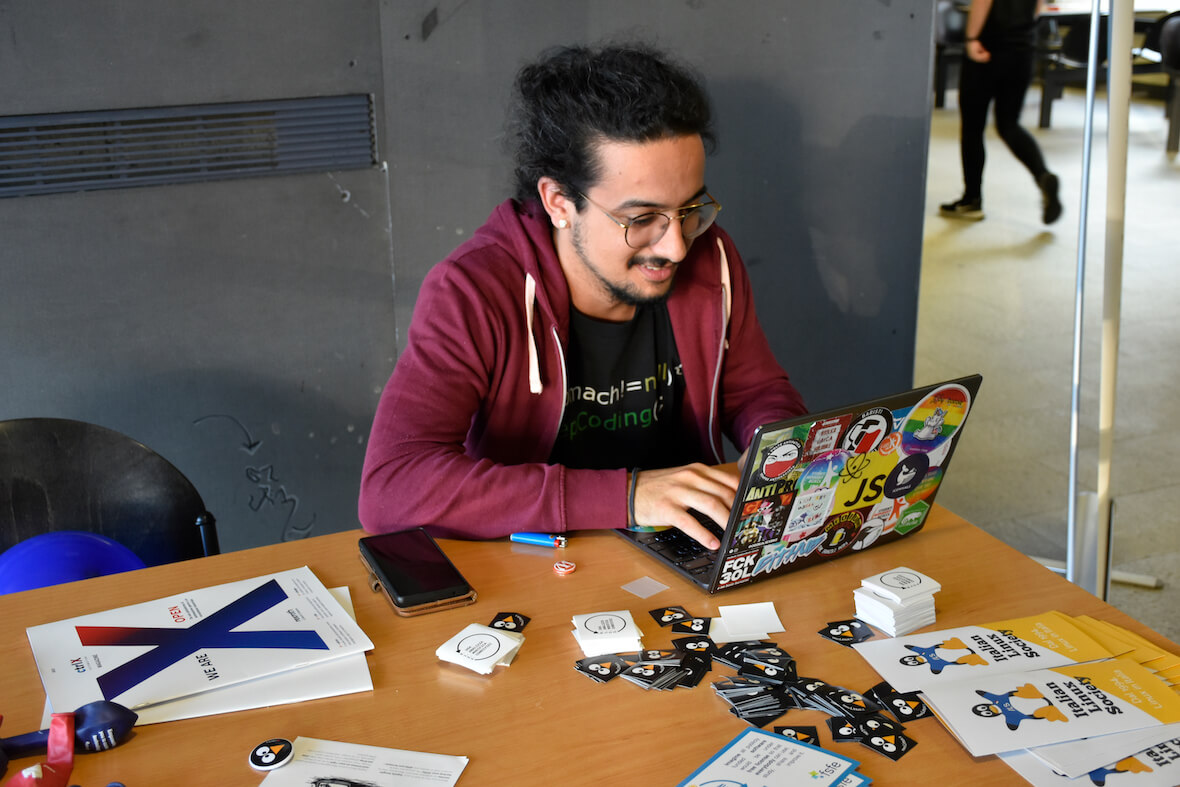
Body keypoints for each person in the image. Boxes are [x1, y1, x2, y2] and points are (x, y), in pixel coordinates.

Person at [358, 43, 806, 549]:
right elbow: (391, 487)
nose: (677, 246)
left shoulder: (713, 257)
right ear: (559, 202)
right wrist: (631, 495)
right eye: (641, 220)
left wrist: (774, 448)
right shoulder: (473, 291)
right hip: (545, 563)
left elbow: (755, 393)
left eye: (690, 210)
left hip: (688, 548)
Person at [940, 0, 1063, 224]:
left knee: (972, 127)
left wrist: (971, 38)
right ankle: (1043, 175)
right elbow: (1037, 9)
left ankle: (972, 200)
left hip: (987, 49)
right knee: (1009, 124)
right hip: (1022, 52)